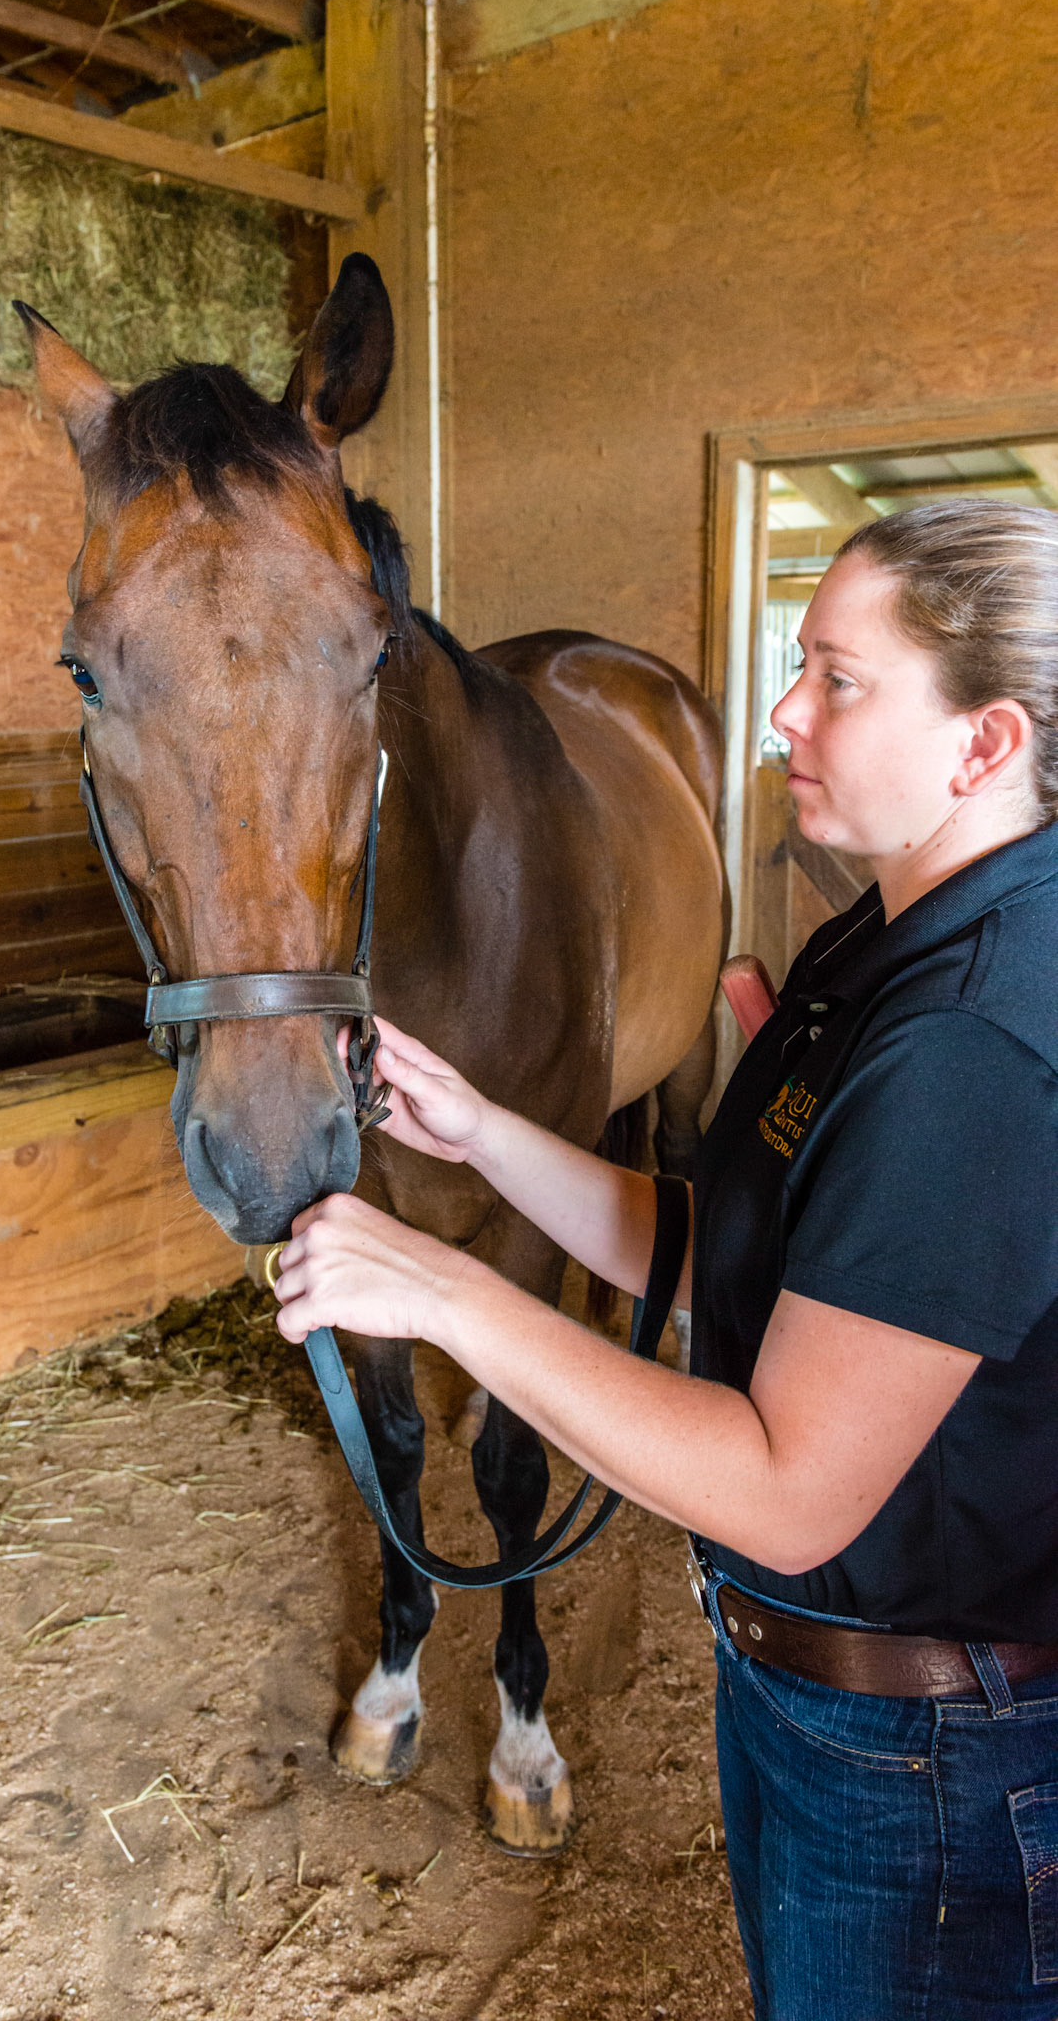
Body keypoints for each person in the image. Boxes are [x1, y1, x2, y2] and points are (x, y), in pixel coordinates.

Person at [272, 500, 1058, 2021]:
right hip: (817, 1701)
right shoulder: (871, 943)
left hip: (931, 1762)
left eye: (837, 678)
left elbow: (784, 1483)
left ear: (982, 745)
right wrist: (485, 1133)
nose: (780, 711)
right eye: (797, 668)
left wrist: (444, 1291)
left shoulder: (970, 1037)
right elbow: (725, 1260)